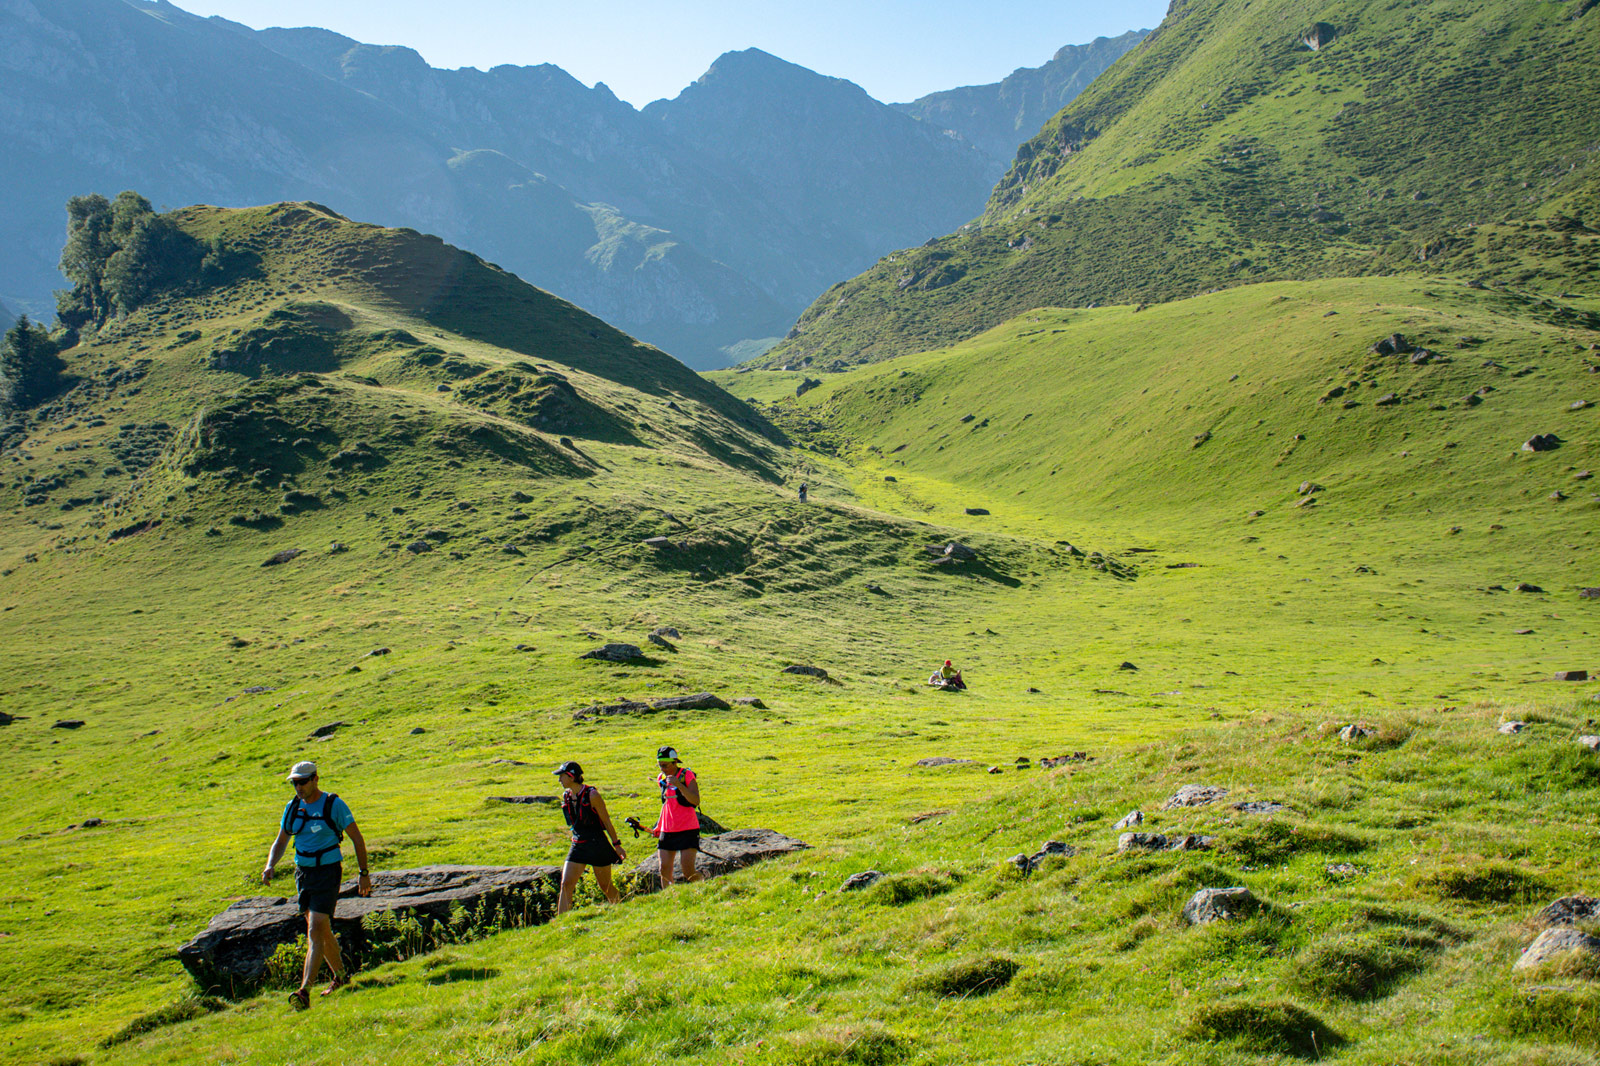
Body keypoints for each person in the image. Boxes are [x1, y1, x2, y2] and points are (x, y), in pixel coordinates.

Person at [262, 760, 371, 1010]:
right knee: (320, 929)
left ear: (315, 779)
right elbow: (281, 841)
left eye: (302, 782)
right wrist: (270, 865)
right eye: (294, 783)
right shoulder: (292, 808)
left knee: (316, 929)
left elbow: (357, 838)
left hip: (328, 872)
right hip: (304, 874)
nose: (298, 787)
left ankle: (304, 991)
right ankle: (341, 977)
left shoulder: (334, 805)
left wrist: (364, 873)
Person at [554, 760, 626, 914]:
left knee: (605, 886)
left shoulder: (592, 795)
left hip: (596, 844)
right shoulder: (566, 796)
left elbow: (606, 821)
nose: (559, 780)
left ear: (571, 777)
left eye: (561, 776)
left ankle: (621, 910)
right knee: (566, 884)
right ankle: (561, 923)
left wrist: (617, 844)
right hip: (578, 844)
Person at [649, 746, 702, 889]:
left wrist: (679, 785)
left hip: (687, 828)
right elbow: (666, 803)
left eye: (665, 765)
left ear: (674, 762)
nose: (662, 769)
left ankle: (703, 886)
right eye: (660, 765)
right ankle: (669, 897)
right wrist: (659, 826)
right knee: (664, 869)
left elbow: (695, 800)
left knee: (688, 872)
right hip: (668, 829)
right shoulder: (662, 778)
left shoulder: (687, 775)